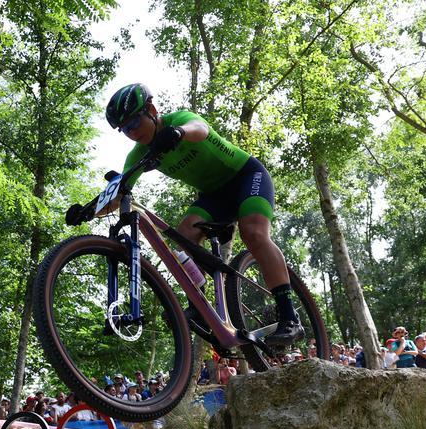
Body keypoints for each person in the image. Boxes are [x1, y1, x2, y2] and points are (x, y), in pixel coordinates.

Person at [92, 83, 301, 345]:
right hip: (214, 197)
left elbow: (200, 130)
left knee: (254, 234)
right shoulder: (139, 153)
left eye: (134, 122)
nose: (131, 133)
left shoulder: (177, 120)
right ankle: (200, 305)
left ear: (152, 110)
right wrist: (90, 209)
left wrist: (178, 132)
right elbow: (121, 191)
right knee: (184, 237)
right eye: (124, 129)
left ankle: (290, 317)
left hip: (247, 177)